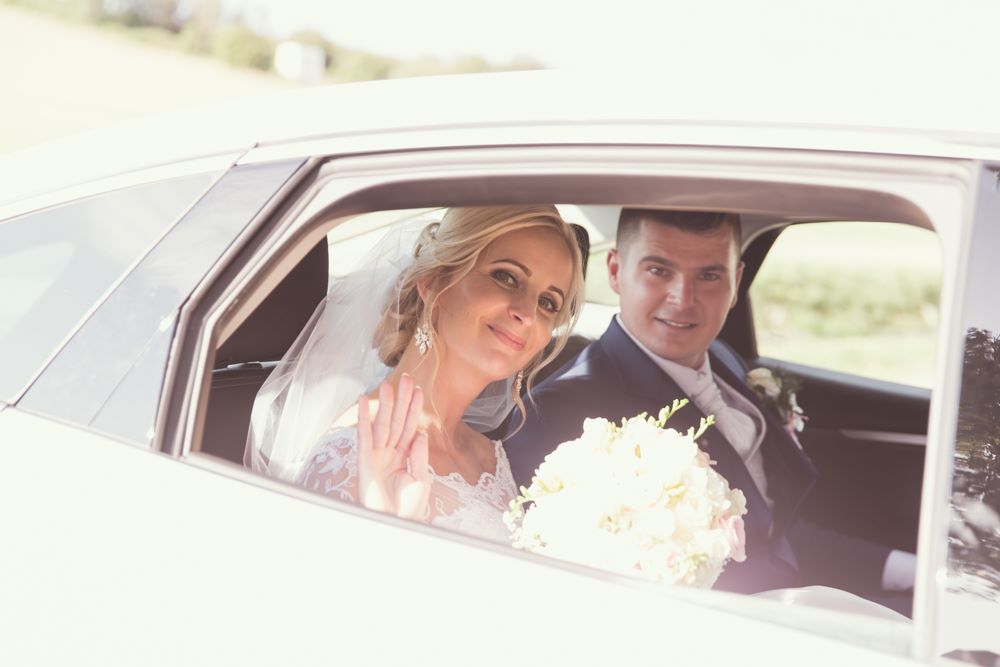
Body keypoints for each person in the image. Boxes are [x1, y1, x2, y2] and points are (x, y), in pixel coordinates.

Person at [505, 209, 916, 612]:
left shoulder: (723, 357)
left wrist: (907, 570)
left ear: (736, 281)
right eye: (658, 271)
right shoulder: (560, 416)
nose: (683, 299)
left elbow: (772, 531)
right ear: (615, 271)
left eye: (709, 276)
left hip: (796, 592)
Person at [245, 205, 585, 542]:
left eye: (548, 303)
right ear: (434, 281)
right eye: (506, 277)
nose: (528, 313)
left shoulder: (490, 457)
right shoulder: (348, 457)